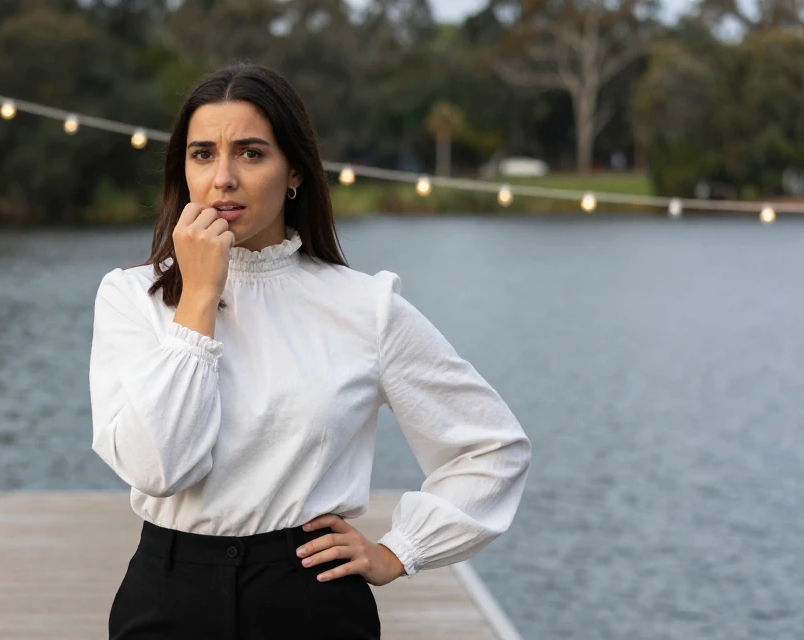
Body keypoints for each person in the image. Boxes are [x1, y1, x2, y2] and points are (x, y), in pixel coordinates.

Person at [89, 62, 532, 640]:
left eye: (250, 153)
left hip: (309, 597)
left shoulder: (365, 306)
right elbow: (159, 469)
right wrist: (198, 297)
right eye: (202, 154)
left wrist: (400, 550)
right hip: (168, 595)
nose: (223, 178)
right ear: (184, 170)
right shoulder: (130, 296)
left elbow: (491, 447)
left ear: (294, 169)